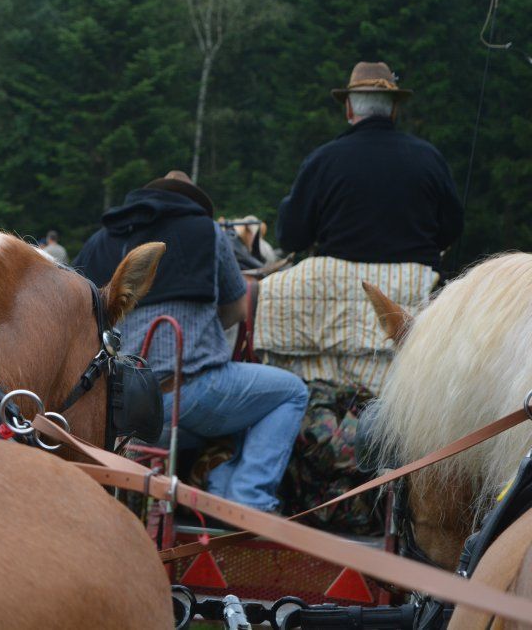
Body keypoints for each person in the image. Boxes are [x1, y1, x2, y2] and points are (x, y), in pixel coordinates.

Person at [73, 172, 308, 512]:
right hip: (190, 392)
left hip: (123, 408)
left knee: (237, 413)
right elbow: (237, 311)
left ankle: (218, 486)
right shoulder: (207, 231)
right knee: (289, 393)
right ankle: (248, 497)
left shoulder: (100, 241)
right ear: (192, 204)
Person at [277, 61, 463, 271]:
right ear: (394, 109)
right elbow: (452, 228)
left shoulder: (322, 160)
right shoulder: (430, 158)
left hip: (336, 290)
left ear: (348, 108)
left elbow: (291, 237)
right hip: (419, 288)